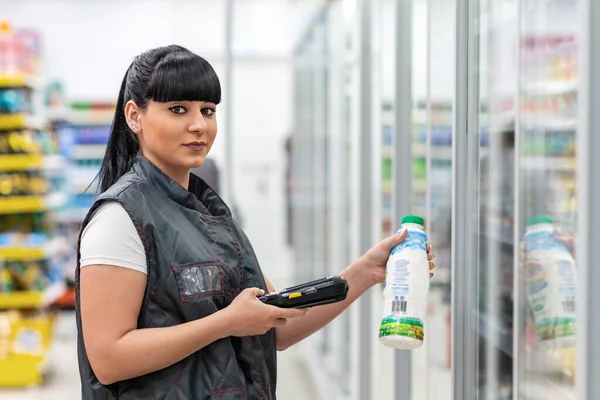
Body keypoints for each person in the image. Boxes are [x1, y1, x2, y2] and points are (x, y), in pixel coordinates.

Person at [75, 45, 436, 400]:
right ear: (134, 116)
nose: (199, 125)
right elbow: (109, 358)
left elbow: (277, 327)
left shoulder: (212, 214)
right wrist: (227, 323)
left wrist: (365, 272)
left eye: (208, 110)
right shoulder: (120, 219)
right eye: (178, 109)